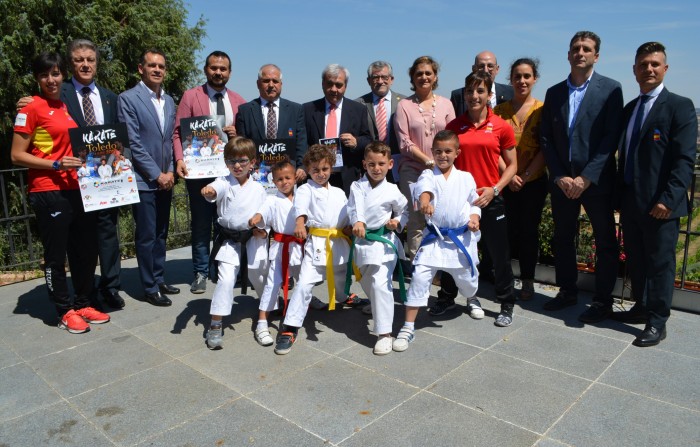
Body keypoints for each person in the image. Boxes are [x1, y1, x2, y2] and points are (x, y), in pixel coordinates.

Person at [16, 39, 125, 309]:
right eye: (79, 60)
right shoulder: (56, 93)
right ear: (70, 65)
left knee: (104, 237)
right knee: (68, 247)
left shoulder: (110, 97)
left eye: (90, 59)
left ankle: (107, 288)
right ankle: (71, 303)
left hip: (106, 179)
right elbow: (30, 127)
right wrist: (26, 102)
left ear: (97, 63)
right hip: (66, 185)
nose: (85, 64)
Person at [614, 42, 697, 347]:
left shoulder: (680, 106)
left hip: (662, 205)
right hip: (632, 203)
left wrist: (669, 199)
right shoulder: (629, 110)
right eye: (643, 64)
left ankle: (657, 322)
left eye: (654, 64)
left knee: (661, 264)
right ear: (634, 70)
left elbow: (684, 160)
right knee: (636, 260)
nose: (648, 69)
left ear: (665, 69)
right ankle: (642, 306)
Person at [540, 31, 623, 323]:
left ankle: (603, 300)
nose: (580, 52)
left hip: (596, 182)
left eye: (586, 49)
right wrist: (560, 175)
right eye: (575, 48)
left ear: (596, 56)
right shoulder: (553, 93)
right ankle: (567, 291)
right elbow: (546, 139)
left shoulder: (611, 90)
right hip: (562, 182)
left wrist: (586, 177)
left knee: (605, 241)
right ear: (568, 54)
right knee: (563, 237)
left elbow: (611, 137)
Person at [439, 71, 518, 327]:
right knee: (453, 251)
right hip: (461, 202)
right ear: (464, 94)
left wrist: (494, 189)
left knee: (498, 254)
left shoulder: (501, 127)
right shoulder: (454, 127)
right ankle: (447, 297)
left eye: (480, 91)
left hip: (490, 199)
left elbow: (512, 166)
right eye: (470, 91)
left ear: (489, 95)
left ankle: (506, 303)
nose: (475, 96)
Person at [393, 130, 481, 352]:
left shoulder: (466, 177)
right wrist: (424, 202)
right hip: (435, 238)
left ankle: (472, 299)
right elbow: (425, 192)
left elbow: (474, 203)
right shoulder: (428, 175)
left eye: (448, 151)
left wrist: (473, 217)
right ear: (432, 152)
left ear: (457, 153)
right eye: (438, 151)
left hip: (460, 238)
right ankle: (408, 326)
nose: (443, 155)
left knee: (468, 281)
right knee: (420, 278)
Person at [274, 144, 361, 355]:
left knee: (342, 276)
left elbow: (348, 214)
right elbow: (300, 207)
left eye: (324, 169)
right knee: (304, 284)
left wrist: (350, 227)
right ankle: (290, 326)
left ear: (331, 167)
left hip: (339, 243)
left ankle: (343, 296)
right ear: (308, 170)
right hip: (318, 244)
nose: (320, 174)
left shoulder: (340, 192)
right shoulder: (305, 189)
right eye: (315, 170)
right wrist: (300, 223)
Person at [173, 51, 246, 295]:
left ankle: (223, 269)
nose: (218, 72)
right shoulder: (191, 96)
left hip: (229, 173)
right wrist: (180, 159)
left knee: (226, 223)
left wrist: (237, 134)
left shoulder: (238, 100)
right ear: (206, 70)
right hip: (199, 173)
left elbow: (245, 140)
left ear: (229, 72)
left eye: (223, 69)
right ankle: (201, 272)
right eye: (214, 68)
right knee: (202, 224)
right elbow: (177, 133)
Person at [117, 48, 178, 307]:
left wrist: (172, 171)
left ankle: (159, 277)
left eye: (161, 66)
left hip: (167, 177)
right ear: (141, 68)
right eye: (152, 65)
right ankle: (149, 287)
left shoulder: (171, 100)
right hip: (144, 179)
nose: (157, 70)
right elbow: (133, 143)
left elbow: (173, 138)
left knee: (161, 232)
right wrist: (156, 174)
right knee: (146, 234)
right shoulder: (128, 98)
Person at [201, 137, 269, 350]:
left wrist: (262, 229)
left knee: (260, 275)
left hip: (252, 238)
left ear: (253, 163)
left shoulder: (259, 188)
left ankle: (270, 305)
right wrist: (208, 191)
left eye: (242, 161)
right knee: (226, 279)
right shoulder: (223, 182)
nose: (237, 166)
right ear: (225, 163)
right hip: (229, 240)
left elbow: (265, 212)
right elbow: (213, 189)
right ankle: (215, 324)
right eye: (231, 161)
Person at [493, 58, 548, 300]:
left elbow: (546, 149)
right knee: (503, 233)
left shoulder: (543, 110)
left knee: (528, 233)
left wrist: (523, 176)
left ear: (534, 79)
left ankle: (527, 280)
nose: (522, 81)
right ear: (510, 79)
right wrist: (510, 175)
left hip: (533, 182)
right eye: (517, 76)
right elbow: (493, 149)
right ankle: (503, 279)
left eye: (527, 76)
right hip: (505, 181)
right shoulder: (499, 111)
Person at [346, 142, 408, 355]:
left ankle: (384, 334)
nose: (376, 168)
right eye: (371, 164)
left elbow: (404, 209)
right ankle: (375, 305)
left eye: (381, 163)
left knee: (381, 284)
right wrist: (358, 222)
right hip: (362, 242)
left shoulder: (392, 189)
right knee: (365, 280)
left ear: (390, 164)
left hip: (384, 242)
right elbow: (355, 207)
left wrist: (397, 221)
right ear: (364, 164)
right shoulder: (357, 186)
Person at [394, 56, 456, 265]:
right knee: (417, 219)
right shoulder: (404, 105)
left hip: (442, 170)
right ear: (412, 77)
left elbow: (451, 138)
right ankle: (419, 265)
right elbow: (404, 141)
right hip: (413, 170)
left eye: (428, 73)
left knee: (441, 215)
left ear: (435, 76)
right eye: (419, 73)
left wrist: (439, 163)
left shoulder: (447, 104)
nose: (424, 77)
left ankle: (440, 265)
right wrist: (428, 161)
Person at [248, 159, 303, 347]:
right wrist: (257, 218)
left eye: (288, 177)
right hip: (280, 248)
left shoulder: (302, 197)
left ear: (295, 178)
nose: (284, 182)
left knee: (304, 282)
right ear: (273, 181)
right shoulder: (271, 200)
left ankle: (300, 309)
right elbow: (263, 212)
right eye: (279, 179)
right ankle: (262, 322)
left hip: (301, 247)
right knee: (272, 284)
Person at [302, 64, 372, 195]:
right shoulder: (307, 109)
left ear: (345, 86)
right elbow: (302, 141)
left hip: (347, 176)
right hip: (316, 176)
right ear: (322, 84)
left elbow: (368, 140)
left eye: (339, 85)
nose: (334, 89)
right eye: (330, 84)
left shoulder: (358, 110)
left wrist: (356, 142)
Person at [235, 64, 308, 182]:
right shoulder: (245, 111)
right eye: (266, 81)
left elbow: (301, 143)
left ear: (281, 84)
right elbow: (242, 145)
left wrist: (302, 167)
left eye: (275, 81)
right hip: (257, 177)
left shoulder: (296, 110)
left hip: (288, 177)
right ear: (258, 84)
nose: (271, 85)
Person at [355, 61, 407, 181]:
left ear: (391, 79)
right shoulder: (358, 104)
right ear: (368, 81)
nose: (380, 81)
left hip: (398, 164)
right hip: (371, 167)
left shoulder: (405, 102)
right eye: (375, 77)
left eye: (384, 77)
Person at [451, 51, 514, 116]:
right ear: (473, 69)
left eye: (490, 66)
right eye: (481, 66)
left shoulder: (511, 92)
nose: (486, 70)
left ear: (497, 69)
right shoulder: (458, 95)